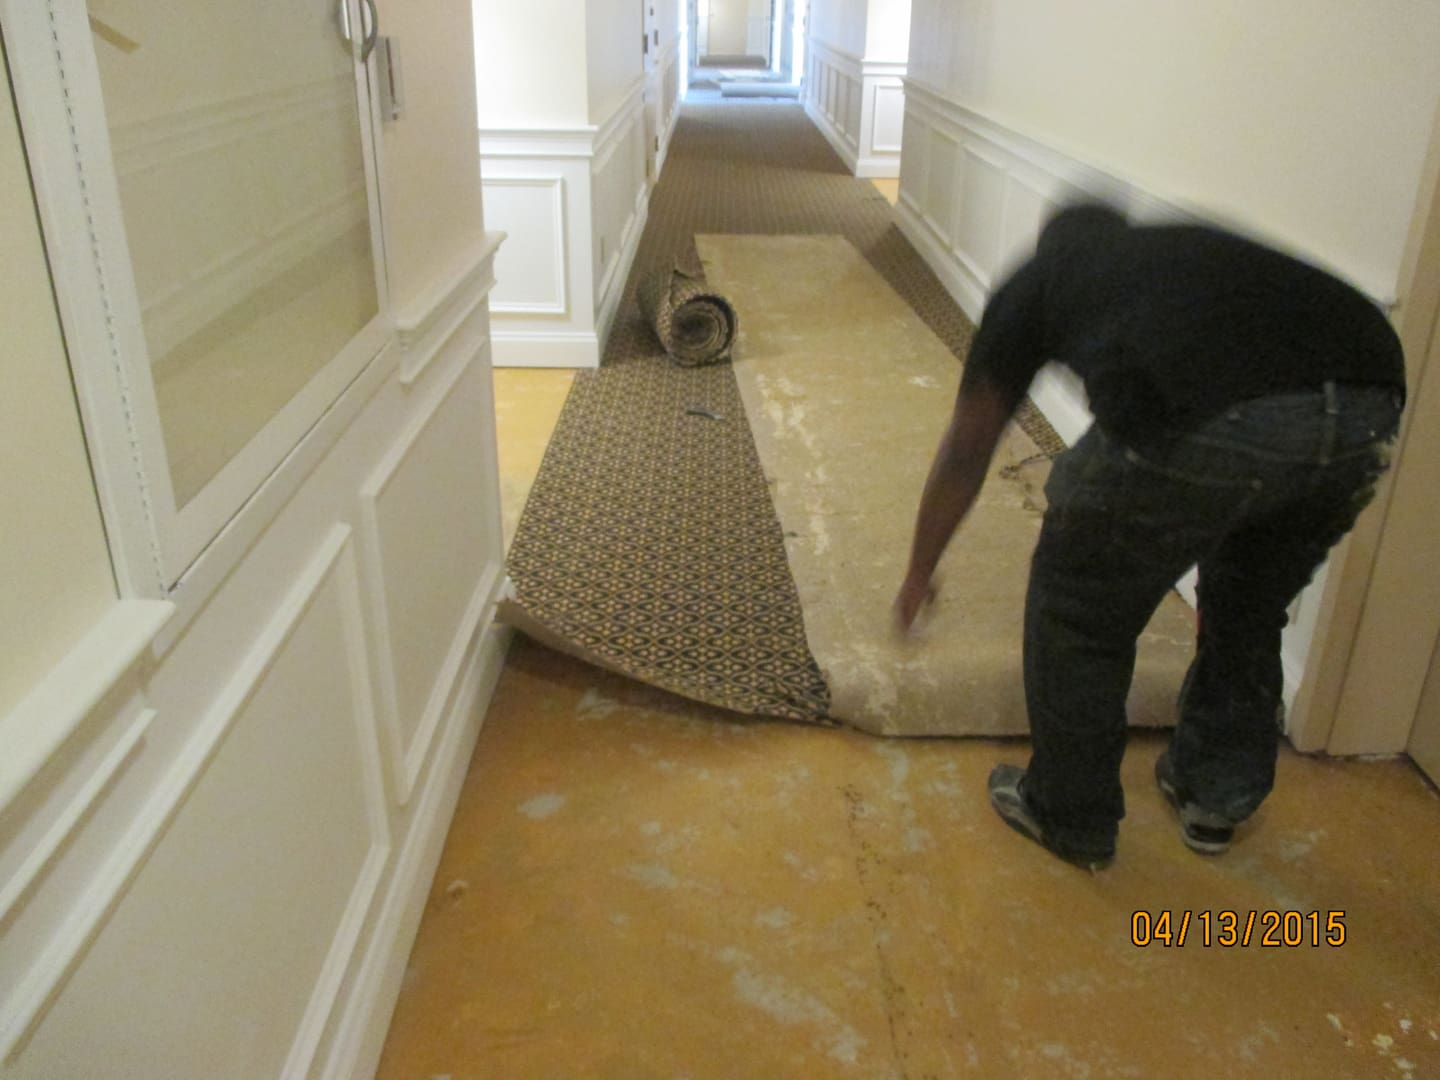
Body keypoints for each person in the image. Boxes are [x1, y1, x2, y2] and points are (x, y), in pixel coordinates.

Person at [894, 202, 1406, 870]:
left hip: (1218, 411)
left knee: (1079, 602)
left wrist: (917, 571)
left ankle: (1067, 812)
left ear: (1051, 246)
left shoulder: (1037, 282)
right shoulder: (1180, 250)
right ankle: (1214, 794)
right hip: (1371, 395)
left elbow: (967, 447)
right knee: (1249, 602)